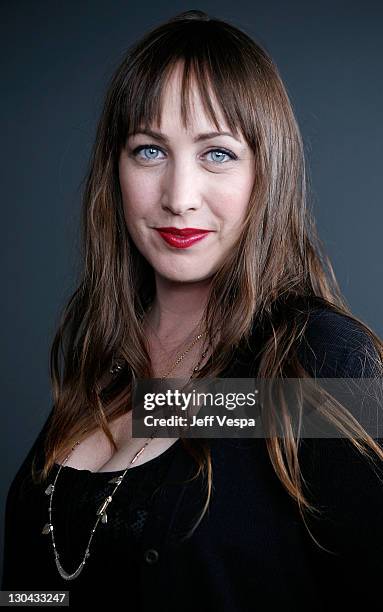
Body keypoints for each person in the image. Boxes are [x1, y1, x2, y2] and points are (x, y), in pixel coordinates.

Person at [2, 9, 383, 611]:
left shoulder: (317, 363)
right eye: (150, 151)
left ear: (267, 173)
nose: (179, 198)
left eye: (218, 155)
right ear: (115, 171)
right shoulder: (102, 371)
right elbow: (36, 593)